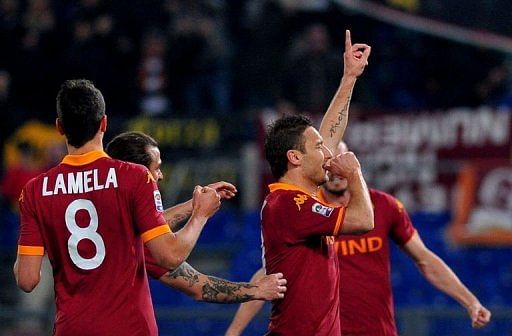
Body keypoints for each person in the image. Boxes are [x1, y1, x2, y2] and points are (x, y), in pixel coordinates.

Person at [13, 79, 221, 336]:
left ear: (59, 127)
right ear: (104, 123)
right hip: (130, 328)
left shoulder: (35, 191)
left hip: (73, 329)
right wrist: (200, 214)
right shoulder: (135, 177)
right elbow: (169, 256)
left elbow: (27, 279)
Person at [226, 142, 492, 335]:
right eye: (331, 162)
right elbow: (270, 275)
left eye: (344, 161)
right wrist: (234, 332)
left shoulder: (385, 206)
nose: (337, 169)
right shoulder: (306, 212)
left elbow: (425, 260)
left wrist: (470, 301)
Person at [106, 131, 287, 303]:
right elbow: (199, 286)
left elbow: (145, 226)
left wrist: (193, 205)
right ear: (136, 173)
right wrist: (256, 289)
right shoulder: (147, 245)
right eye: (157, 168)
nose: (160, 176)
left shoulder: (106, 215)